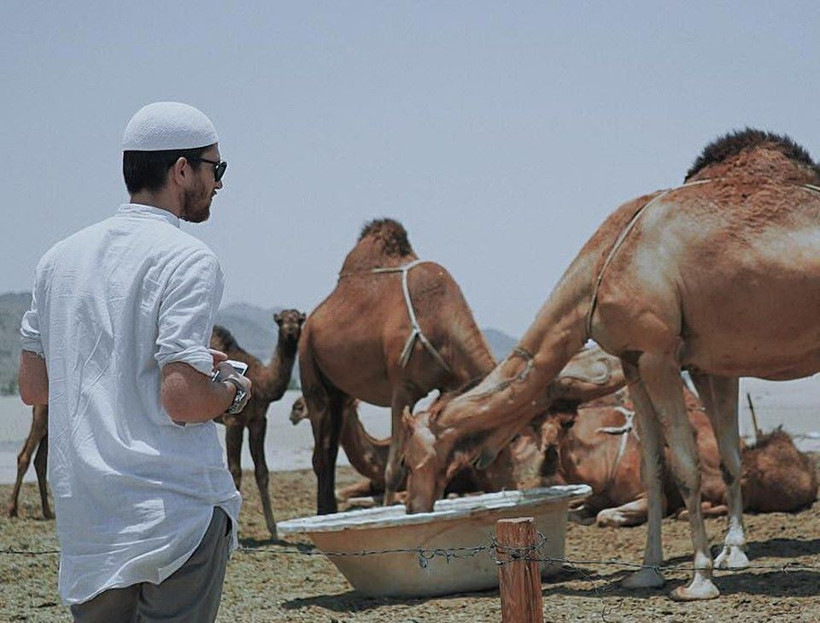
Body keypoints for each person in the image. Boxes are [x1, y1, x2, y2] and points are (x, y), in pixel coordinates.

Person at [17, 101, 253, 622]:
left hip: (90, 524)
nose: (220, 183)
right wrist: (231, 388)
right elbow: (184, 399)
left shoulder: (58, 260)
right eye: (217, 168)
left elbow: (34, 387)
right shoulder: (187, 258)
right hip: (174, 517)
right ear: (182, 169)